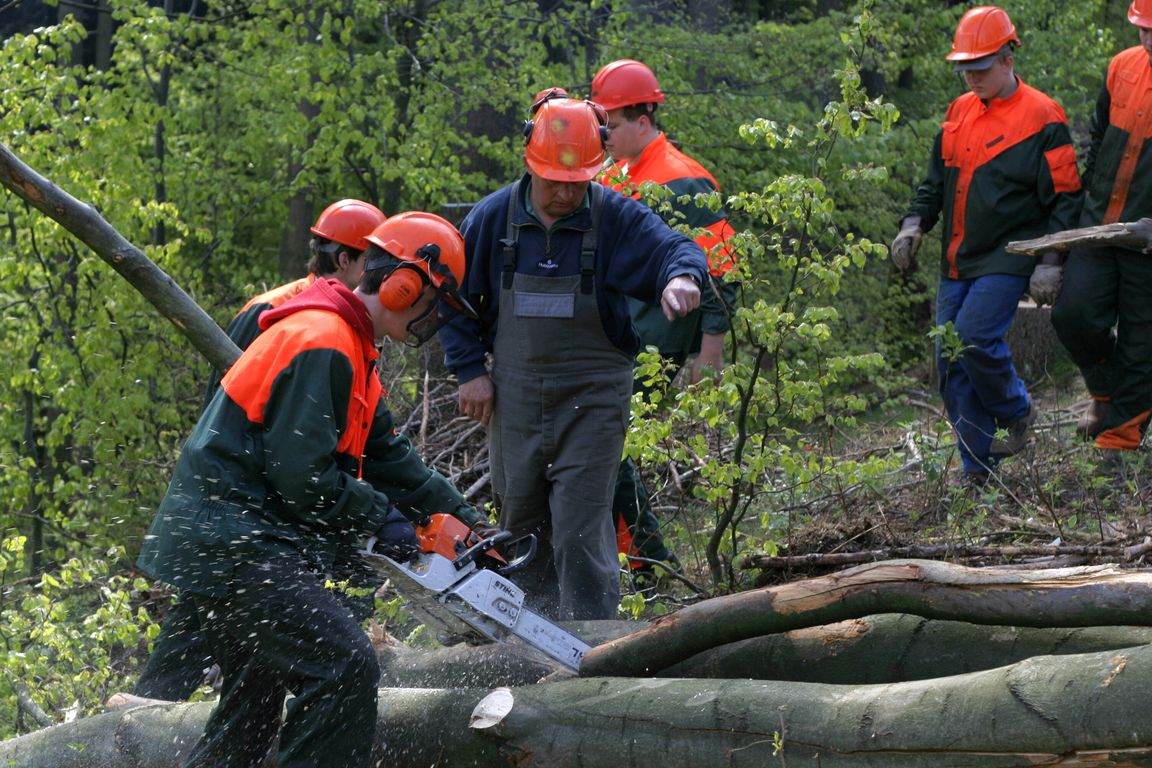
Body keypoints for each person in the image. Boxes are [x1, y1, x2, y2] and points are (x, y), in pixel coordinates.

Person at [136, 211, 480, 768]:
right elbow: (304, 481)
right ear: (403, 286)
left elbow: (389, 457)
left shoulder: (348, 343)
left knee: (254, 702)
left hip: (235, 538)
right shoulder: (323, 340)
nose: (433, 320)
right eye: (433, 303)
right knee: (344, 665)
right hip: (236, 541)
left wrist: (467, 522)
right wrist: (380, 517)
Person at [439, 94, 709, 620]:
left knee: (581, 526)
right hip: (515, 398)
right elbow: (452, 300)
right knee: (521, 524)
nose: (565, 192)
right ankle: (530, 641)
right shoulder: (493, 219)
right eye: (553, 180)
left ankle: (591, 647)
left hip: (592, 399)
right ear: (529, 163)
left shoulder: (613, 218)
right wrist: (470, 371)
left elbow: (677, 248)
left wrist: (681, 277)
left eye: (577, 180)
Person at [890, 5, 1082, 483]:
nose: (971, 77)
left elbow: (1066, 195)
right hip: (956, 258)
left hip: (1010, 254)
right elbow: (934, 182)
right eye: (965, 69)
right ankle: (978, 469)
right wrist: (913, 224)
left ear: (1007, 59)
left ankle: (1017, 411)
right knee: (948, 361)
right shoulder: (958, 112)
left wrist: (1051, 260)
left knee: (973, 338)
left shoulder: (1043, 115)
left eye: (980, 68)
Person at [590, 59, 739, 587]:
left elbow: (723, 272)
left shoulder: (682, 177)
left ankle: (649, 567)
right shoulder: (614, 174)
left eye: (609, 122)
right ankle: (639, 564)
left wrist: (710, 352)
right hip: (622, 333)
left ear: (642, 117)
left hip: (660, 337)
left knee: (603, 442)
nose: (602, 133)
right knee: (604, 444)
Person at [1051, 0, 1152, 458]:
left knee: (1141, 336)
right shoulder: (1121, 67)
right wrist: (1084, 209)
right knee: (1072, 314)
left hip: (1148, 240)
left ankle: (1122, 437)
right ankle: (1105, 392)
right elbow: (1097, 138)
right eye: (1143, 30)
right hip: (1099, 223)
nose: (1148, 41)